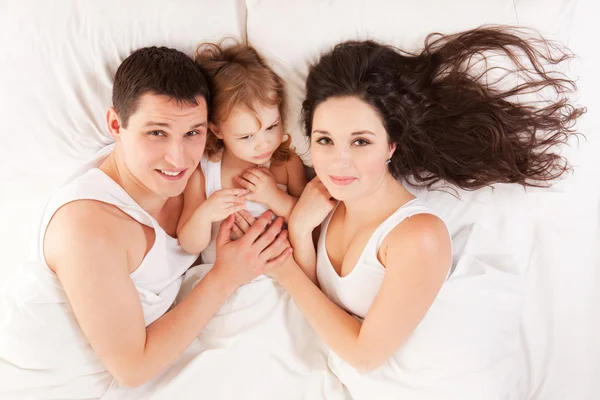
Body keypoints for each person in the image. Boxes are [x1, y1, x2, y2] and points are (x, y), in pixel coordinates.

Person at [233, 27, 585, 398]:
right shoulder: (325, 201)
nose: (339, 161)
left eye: (360, 141)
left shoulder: (417, 237)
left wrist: (284, 271)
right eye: (324, 140)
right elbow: (319, 297)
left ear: (391, 145)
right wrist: (301, 229)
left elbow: (364, 355)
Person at [0, 46, 291, 399]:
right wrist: (226, 276)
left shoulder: (188, 179)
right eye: (156, 133)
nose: (178, 157)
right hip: (52, 387)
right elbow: (132, 368)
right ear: (115, 125)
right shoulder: (87, 227)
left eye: (193, 133)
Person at [177, 42, 306, 263]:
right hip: (222, 278)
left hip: (276, 279)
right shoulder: (204, 170)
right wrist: (206, 213)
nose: (263, 144)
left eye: (272, 127)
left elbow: (311, 224)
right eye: (246, 137)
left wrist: (275, 197)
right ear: (217, 130)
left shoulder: (286, 163)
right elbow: (189, 245)